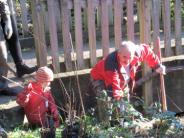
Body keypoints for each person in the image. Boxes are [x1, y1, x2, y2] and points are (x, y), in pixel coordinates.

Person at [90, 41, 166, 121]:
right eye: (124, 57)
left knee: (125, 102)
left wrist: (157, 66)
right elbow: (114, 86)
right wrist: (119, 100)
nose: (127, 61)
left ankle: (124, 123)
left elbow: (148, 51)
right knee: (106, 100)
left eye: (130, 57)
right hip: (100, 78)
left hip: (122, 78)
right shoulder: (111, 63)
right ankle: (106, 125)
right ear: (118, 54)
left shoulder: (137, 52)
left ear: (134, 54)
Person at [16, 66, 60, 132]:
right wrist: (26, 94)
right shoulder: (31, 89)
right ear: (42, 81)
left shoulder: (47, 91)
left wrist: (55, 115)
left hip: (45, 119)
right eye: (48, 81)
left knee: (51, 127)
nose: (50, 83)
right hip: (34, 120)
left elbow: (51, 104)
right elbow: (21, 102)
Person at [1, 0, 37, 78]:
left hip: (6, 7)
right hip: (3, 8)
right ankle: (2, 81)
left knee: (13, 36)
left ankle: (20, 66)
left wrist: (7, 17)